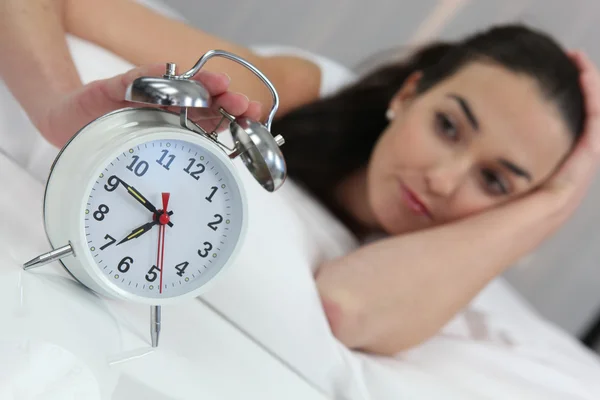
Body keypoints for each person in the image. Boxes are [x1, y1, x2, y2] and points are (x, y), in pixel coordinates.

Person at [2, 0, 600, 356]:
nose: (444, 180)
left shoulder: (452, 270)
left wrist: (556, 202)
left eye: (496, 182)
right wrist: (58, 108)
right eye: (447, 125)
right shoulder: (288, 91)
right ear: (409, 93)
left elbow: (346, 307)